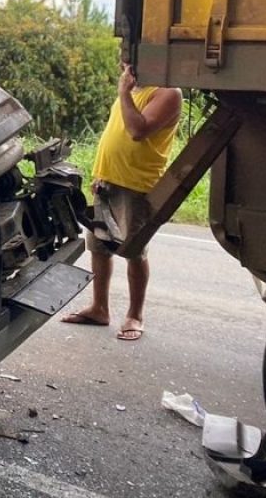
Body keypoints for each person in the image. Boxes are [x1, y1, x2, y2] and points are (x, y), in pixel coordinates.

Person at [61, 63, 181, 341]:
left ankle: (135, 315)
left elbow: (137, 130)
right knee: (99, 247)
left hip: (137, 185)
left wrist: (123, 93)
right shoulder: (131, 91)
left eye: (128, 59)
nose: (122, 65)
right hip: (108, 180)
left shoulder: (168, 93)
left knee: (134, 251)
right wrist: (100, 173)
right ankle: (99, 308)